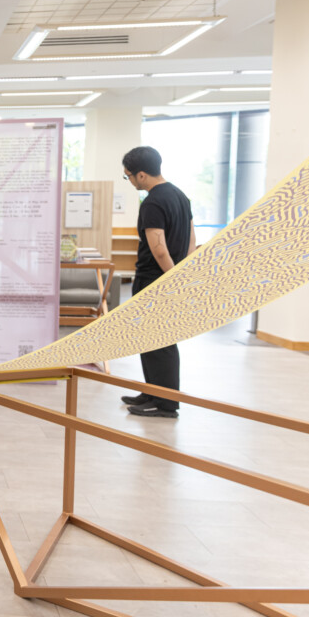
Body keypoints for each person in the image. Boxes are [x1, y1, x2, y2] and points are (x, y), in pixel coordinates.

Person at [119, 146, 196, 419]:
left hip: (155, 280)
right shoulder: (180, 196)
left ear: (141, 175)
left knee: (160, 343)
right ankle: (153, 391)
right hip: (168, 276)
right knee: (150, 341)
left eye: (128, 176)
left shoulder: (152, 202)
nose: (129, 181)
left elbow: (158, 247)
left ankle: (165, 404)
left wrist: (172, 279)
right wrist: (183, 273)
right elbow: (190, 240)